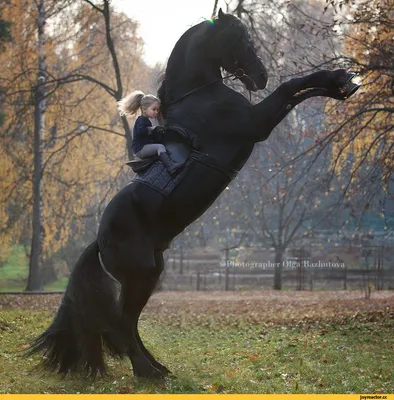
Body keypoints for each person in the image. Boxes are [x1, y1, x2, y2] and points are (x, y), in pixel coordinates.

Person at [117, 90, 183, 175]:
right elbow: (141, 131)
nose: (156, 112)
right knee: (160, 147)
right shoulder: (141, 120)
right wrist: (153, 129)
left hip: (143, 146)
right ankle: (171, 167)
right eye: (154, 109)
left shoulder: (146, 120)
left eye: (157, 110)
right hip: (140, 149)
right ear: (144, 109)